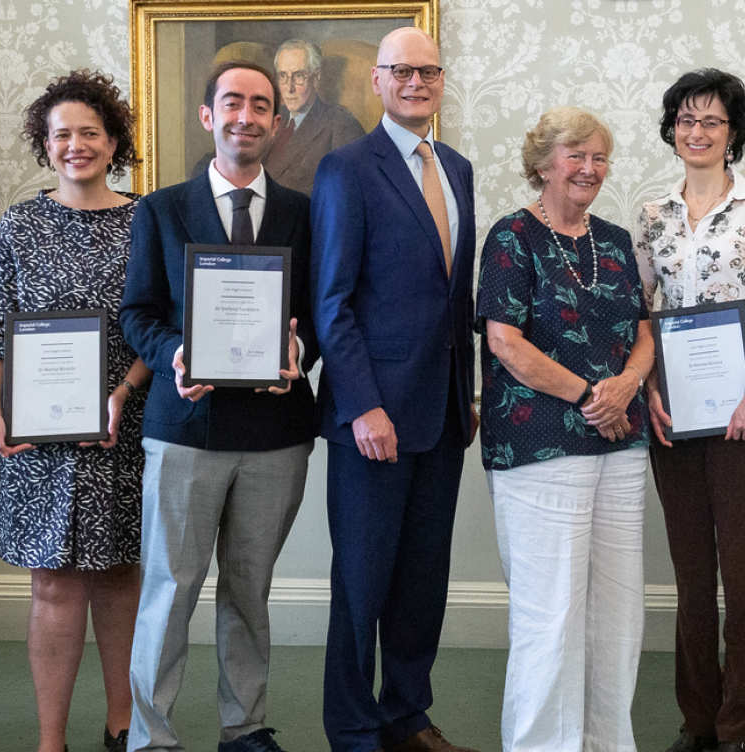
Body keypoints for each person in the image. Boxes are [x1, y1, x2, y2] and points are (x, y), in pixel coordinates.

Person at [0, 70, 152, 752]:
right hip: (36, 436)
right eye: (61, 134)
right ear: (45, 142)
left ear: (114, 140)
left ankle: (122, 723)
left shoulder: (144, 219)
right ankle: (50, 739)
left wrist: (122, 391)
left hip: (122, 426)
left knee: (122, 576)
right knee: (54, 586)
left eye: (89, 133)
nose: (75, 145)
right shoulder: (20, 223)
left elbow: (161, 324)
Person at [120, 60, 315, 752]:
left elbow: (318, 315)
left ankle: (246, 726)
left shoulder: (303, 211)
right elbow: (137, 311)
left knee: (249, 590)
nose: (247, 116)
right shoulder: (160, 209)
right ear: (209, 116)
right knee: (170, 589)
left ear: (276, 122)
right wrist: (175, 352)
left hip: (275, 434)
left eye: (261, 105)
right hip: (184, 429)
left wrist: (299, 353)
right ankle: (152, 735)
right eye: (233, 102)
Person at [310, 26, 479, 752]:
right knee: (362, 583)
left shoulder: (459, 169)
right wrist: (362, 405)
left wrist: (467, 391)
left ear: (441, 82)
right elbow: (333, 301)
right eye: (401, 71)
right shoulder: (347, 169)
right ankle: (353, 728)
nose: (416, 82)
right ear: (376, 82)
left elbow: (453, 297)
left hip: (442, 415)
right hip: (372, 416)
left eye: (429, 71)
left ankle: (407, 714)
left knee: (421, 581)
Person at [478, 105, 653, 752]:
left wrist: (628, 385)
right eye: (575, 154)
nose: (589, 168)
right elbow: (504, 343)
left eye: (600, 156)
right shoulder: (511, 237)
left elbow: (641, 329)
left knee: (616, 614)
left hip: (619, 442)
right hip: (539, 444)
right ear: (544, 163)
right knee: (549, 616)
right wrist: (590, 395)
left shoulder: (612, 239)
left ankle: (607, 743)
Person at [635, 68, 745, 752]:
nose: (697, 133)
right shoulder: (650, 213)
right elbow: (643, 315)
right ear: (673, 131)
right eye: (686, 121)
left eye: (712, 122)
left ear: (733, 134)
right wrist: (649, 391)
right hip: (672, 412)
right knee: (692, 581)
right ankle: (697, 720)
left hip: (743, 414)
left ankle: (738, 728)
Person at [264, 38, 366, 195]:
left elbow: (348, 193)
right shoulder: (272, 119)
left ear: (316, 78)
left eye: (298, 76)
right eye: (283, 76)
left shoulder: (341, 125)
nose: (289, 88)